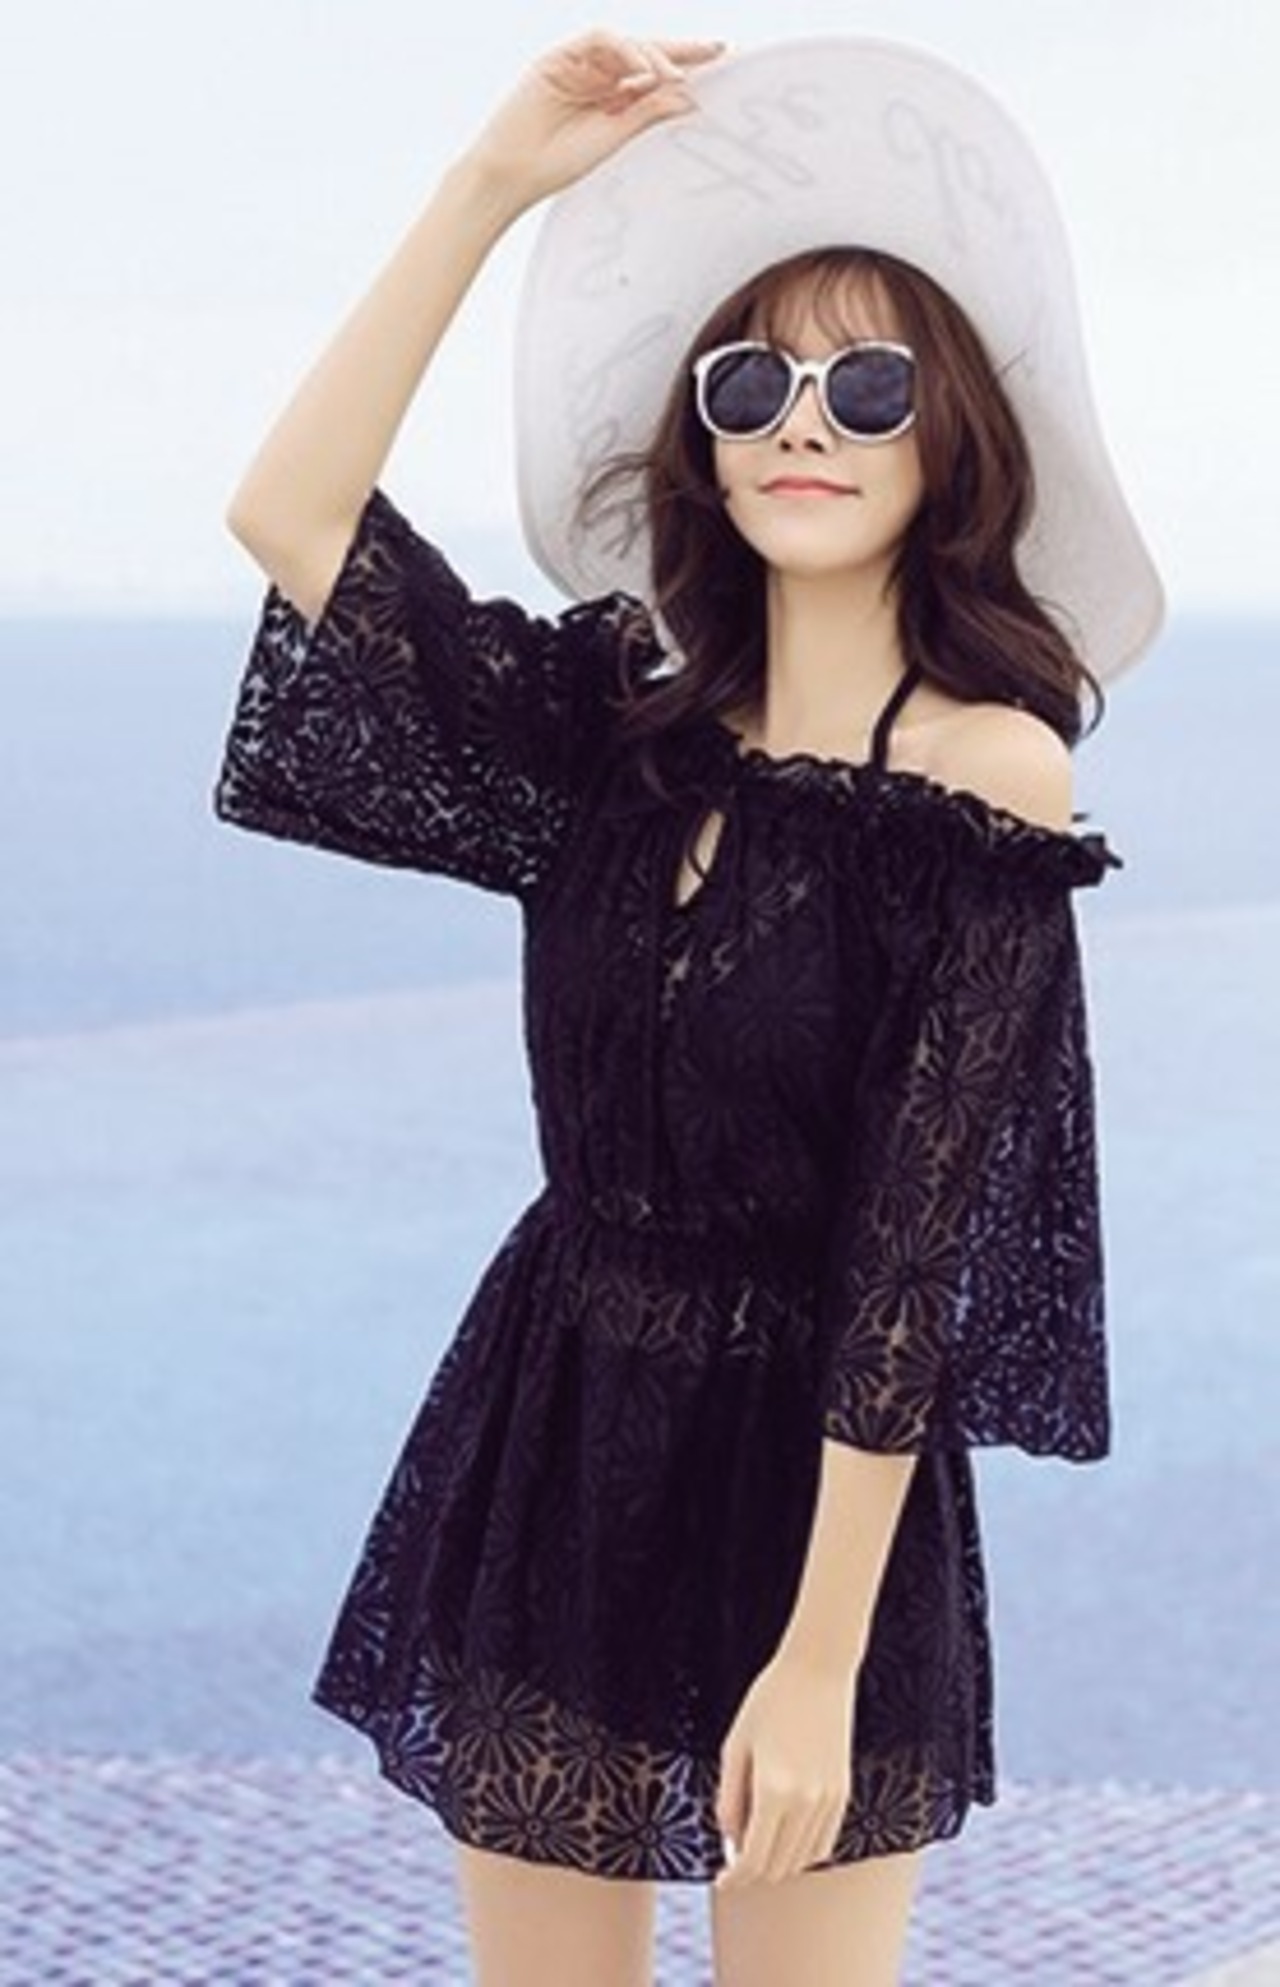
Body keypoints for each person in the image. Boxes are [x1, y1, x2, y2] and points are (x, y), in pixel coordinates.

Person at [211, 29, 1162, 1987]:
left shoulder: (985, 776)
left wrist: (817, 1661)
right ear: (705, 442)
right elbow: (290, 515)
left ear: (949, 441)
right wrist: (491, 183)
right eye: (753, 382)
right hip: (560, 1431)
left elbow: (905, 1267)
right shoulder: (607, 736)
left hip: (820, 1496)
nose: (805, 423)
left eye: (868, 385)